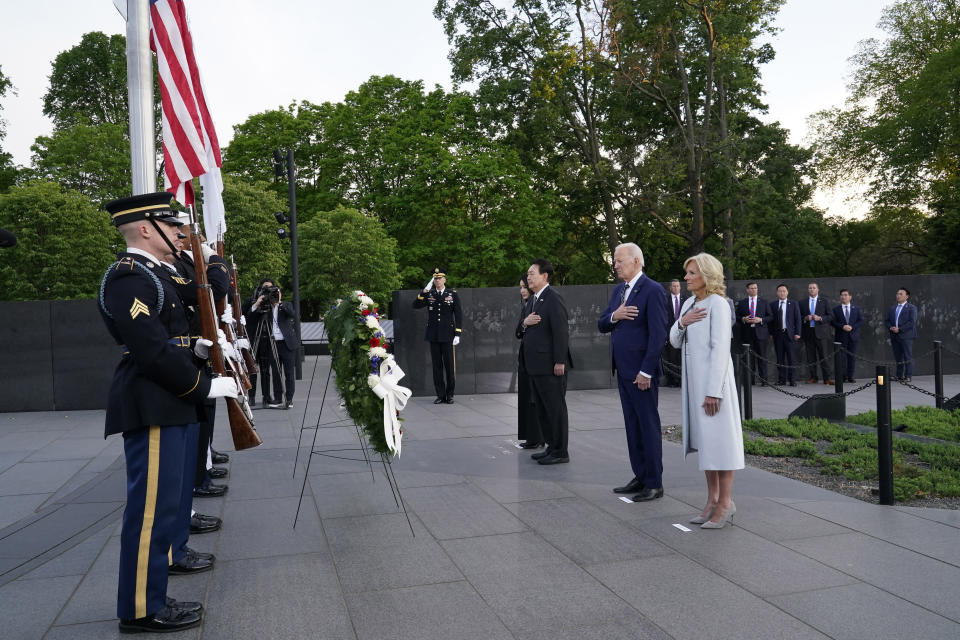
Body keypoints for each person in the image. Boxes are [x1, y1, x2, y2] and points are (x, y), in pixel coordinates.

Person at [99, 192, 240, 633]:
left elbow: (170, 337)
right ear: (145, 228)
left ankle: (154, 588)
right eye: (170, 224)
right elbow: (149, 350)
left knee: (169, 503)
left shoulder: (152, 275)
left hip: (171, 396)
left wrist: (197, 350)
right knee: (149, 512)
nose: (179, 232)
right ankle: (140, 608)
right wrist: (200, 385)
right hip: (155, 397)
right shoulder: (128, 277)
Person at [669, 253, 744, 529]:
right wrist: (682, 322)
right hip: (695, 385)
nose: (686, 278)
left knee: (720, 443)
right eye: (686, 273)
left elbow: (721, 349)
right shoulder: (689, 303)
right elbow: (675, 341)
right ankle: (711, 500)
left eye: (691, 273)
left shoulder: (719, 304)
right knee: (706, 445)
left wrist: (714, 391)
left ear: (707, 275)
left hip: (714, 387)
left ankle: (725, 502)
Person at [598, 243, 668, 501]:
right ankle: (640, 476)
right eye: (614, 261)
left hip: (641, 375)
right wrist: (615, 315)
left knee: (647, 426)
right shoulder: (619, 291)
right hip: (623, 371)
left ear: (636, 261)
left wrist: (646, 372)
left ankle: (654, 482)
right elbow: (602, 324)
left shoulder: (653, 290)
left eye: (619, 261)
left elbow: (658, 335)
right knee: (632, 426)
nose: (615, 265)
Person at [520, 259, 573, 464]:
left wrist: (559, 361)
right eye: (528, 273)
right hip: (535, 366)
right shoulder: (534, 300)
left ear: (545, 276)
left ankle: (561, 452)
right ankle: (551, 447)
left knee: (555, 409)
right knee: (542, 410)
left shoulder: (553, 298)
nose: (528, 277)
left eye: (532, 273)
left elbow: (561, 331)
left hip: (551, 366)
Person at [412, 267, 463, 404]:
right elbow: (415, 305)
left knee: (449, 367)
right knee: (437, 367)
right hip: (433, 335)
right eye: (435, 279)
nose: (437, 280)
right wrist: (424, 291)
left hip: (448, 336)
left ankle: (450, 394)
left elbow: (458, 314)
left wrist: (457, 333)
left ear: (444, 279)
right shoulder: (430, 294)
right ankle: (440, 395)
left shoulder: (452, 294)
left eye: (439, 278)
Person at [245, 279, 299, 408]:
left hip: (287, 344)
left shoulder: (286, 305)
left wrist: (279, 302)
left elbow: (292, 314)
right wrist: (258, 303)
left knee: (289, 373)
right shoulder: (265, 308)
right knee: (276, 373)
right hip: (273, 344)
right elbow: (250, 316)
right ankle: (278, 398)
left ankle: (289, 399)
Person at [514, 274, 543, 448]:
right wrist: (524, 322)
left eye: (525, 287)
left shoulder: (538, 303)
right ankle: (532, 437)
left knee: (534, 400)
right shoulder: (527, 305)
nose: (522, 291)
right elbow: (518, 331)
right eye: (520, 288)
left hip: (536, 361)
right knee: (527, 399)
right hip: (526, 359)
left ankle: (537, 438)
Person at [735, 282, 773, 385]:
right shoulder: (742, 302)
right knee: (749, 359)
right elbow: (736, 317)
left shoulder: (764, 302)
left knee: (762, 358)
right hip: (747, 334)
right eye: (751, 288)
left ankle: (764, 380)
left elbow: (770, 316)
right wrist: (743, 319)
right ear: (747, 290)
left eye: (755, 288)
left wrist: (760, 320)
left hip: (761, 334)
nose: (754, 290)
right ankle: (749, 381)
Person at [801, 282, 834, 385]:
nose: (812, 289)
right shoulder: (802, 302)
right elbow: (799, 317)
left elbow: (831, 316)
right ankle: (813, 377)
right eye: (810, 288)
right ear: (808, 290)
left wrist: (820, 318)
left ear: (818, 290)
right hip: (808, 333)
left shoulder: (824, 301)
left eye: (814, 288)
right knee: (811, 357)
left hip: (822, 334)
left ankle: (827, 378)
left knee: (824, 356)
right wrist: (806, 318)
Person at [770, 284, 802, 386]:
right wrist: (771, 333)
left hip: (790, 335)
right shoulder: (773, 305)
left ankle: (792, 380)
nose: (782, 293)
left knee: (791, 358)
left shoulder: (793, 303)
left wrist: (797, 333)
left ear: (787, 292)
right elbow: (771, 321)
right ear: (777, 292)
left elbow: (798, 319)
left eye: (784, 291)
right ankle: (781, 380)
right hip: (778, 334)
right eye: (780, 291)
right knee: (780, 358)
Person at [831, 289, 865, 383]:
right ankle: (843, 376)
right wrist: (842, 326)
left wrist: (852, 327)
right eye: (842, 295)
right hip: (841, 336)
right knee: (842, 358)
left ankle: (850, 376)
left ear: (850, 297)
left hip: (853, 336)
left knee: (852, 357)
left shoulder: (856, 309)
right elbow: (833, 322)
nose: (843, 297)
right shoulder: (836, 309)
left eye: (845, 295)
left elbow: (861, 321)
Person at [885, 287, 917, 381]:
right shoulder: (892, 308)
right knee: (898, 356)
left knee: (907, 355)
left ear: (907, 296)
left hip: (906, 336)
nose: (898, 295)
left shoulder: (911, 308)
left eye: (901, 294)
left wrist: (900, 329)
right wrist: (891, 327)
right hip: (894, 335)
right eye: (897, 294)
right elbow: (887, 320)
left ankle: (908, 376)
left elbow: (912, 322)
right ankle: (899, 375)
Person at [662, 279, 685, 387]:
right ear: (670, 288)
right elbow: (663, 319)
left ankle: (681, 380)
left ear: (680, 287)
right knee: (670, 357)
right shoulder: (665, 300)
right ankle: (671, 380)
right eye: (674, 286)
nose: (676, 288)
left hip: (682, 333)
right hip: (669, 333)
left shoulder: (686, 300)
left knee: (681, 358)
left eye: (677, 286)